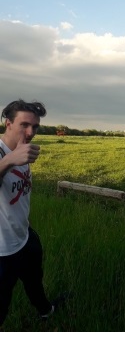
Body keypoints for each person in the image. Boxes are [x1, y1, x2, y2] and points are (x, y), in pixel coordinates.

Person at [0, 99, 61, 328]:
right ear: (8, 123)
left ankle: (46, 311)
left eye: (35, 127)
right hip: (2, 249)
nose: (30, 132)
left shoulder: (23, 150)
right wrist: (8, 161)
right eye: (24, 125)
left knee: (35, 281)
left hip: (25, 236)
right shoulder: (4, 153)